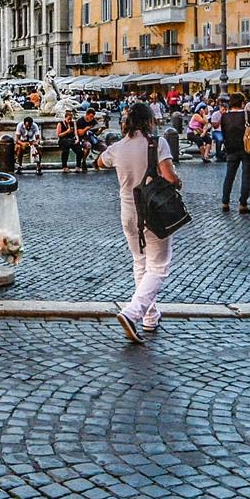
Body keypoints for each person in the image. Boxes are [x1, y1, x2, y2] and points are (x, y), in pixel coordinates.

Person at [97, 101, 182, 343]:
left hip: (128, 213)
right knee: (159, 266)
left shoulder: (117, 147)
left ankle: (150, 316)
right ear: (148, 121)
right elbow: (168, 176)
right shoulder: (157, 143)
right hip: (153, 211)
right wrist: (177, 182)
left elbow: (100, 162)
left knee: (140, 262)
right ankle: (132, 313)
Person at [219, 93, 250, 213]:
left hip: (231, 148)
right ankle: (243, 204)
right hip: (246, 148)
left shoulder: (224, 117)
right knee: (246, 176)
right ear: (242, 102)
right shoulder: (246, 115)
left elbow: (224, 133)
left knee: (229, 176)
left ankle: (225, 202)